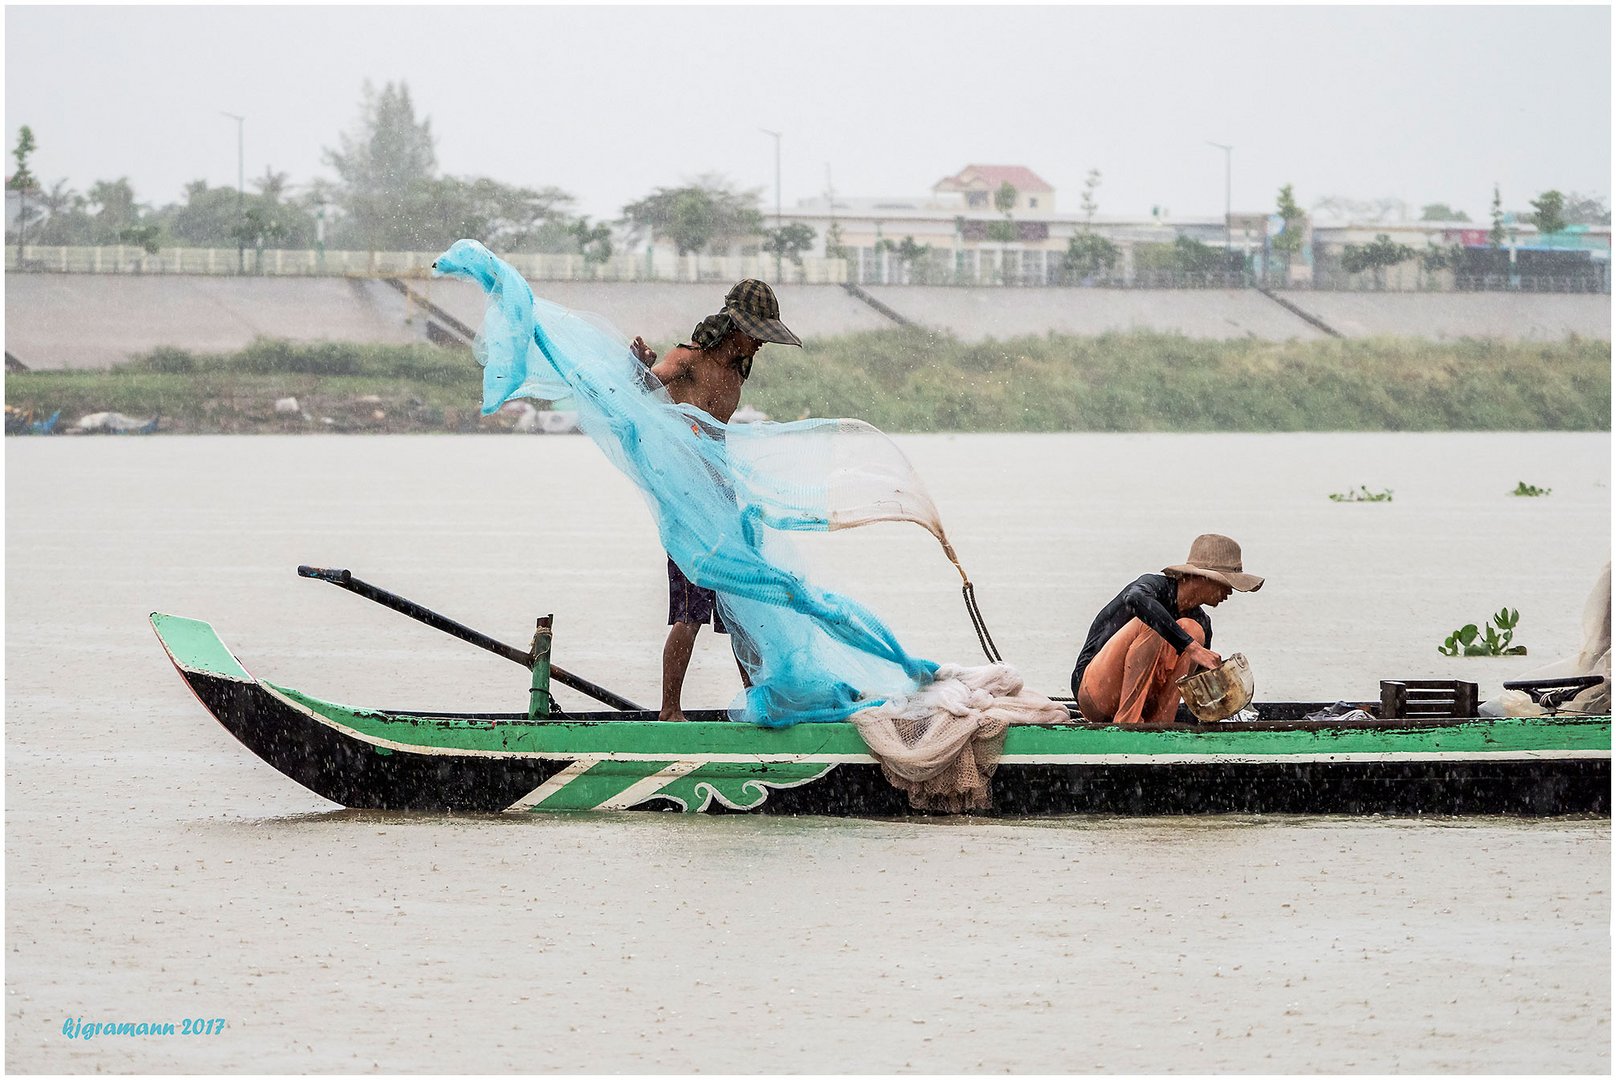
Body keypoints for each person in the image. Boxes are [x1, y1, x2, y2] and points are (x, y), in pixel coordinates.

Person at [628, 279, 802, 721]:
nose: (760, 344)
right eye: (756, 333)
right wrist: (642, 368)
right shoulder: (686, 361)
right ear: (735, 326)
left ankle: (756, 700)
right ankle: (670, 711)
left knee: (739, 607)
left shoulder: (736, 371)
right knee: (690, 611)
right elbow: (646, 390)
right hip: (687, 503)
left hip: (723, 500)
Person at [1072, 533, 1264, 725]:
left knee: (1193, 630)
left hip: (1147, 703)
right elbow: (1134, 598)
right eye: (1226, 583)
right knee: (1153, 621)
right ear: (1203, 578)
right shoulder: (1153, 587)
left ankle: (1162, 725)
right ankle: (1127, 723)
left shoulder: (1201, 622)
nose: (1229, 592)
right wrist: (1193, 648)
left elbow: (1199, 688)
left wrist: (1228, 690)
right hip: (1096, 695)